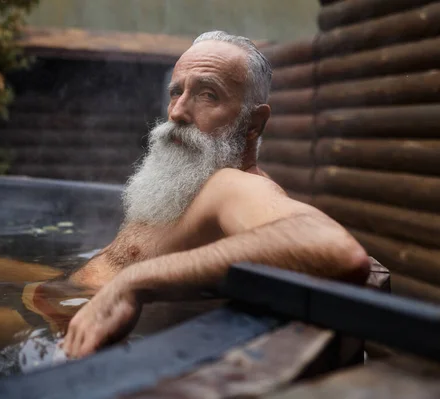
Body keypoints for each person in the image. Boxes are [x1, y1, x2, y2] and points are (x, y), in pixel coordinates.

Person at [60, 31, 371, 358]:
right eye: (176, 92)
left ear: (254, 123)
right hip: (70, 306)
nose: (178, 112)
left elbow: (334, 247)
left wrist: (134, 281)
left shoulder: (230, 185)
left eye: (208, 95)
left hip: (78, 336)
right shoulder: (188, 185)